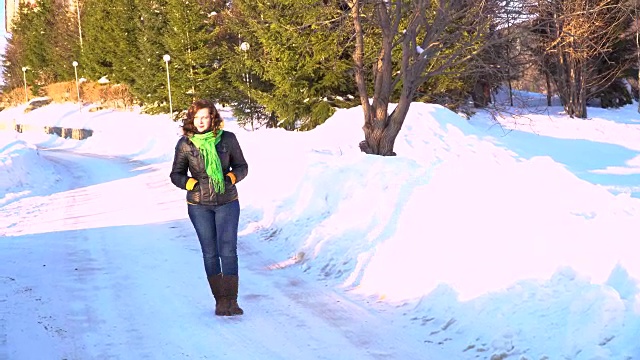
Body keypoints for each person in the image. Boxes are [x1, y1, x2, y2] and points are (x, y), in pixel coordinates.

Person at [170, 99, 248, 316]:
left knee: (228, 250)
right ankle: (220, 301)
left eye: (205, 117)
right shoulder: (185, 144)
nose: (201, 121)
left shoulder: (227, 140)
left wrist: (231, 177)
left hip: (227, 202)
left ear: (212, 118)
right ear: (191, 120)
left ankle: (232, 300)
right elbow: (176, 174)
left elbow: (242, 166)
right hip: (199, 205)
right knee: (211, 253)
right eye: (197, 118)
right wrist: (190, 183)